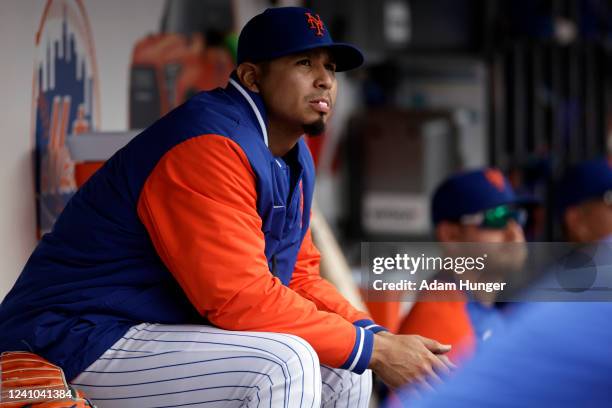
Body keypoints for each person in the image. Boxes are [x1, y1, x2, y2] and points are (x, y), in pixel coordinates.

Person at [0, 7, 451, 407]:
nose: (325, 80)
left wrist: (379, 340)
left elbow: (297, 276)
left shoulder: (289, 155)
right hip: (70, 336)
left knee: (344, 372)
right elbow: (240, 299)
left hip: (148, 331)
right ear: (253, 77)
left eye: (330, 67)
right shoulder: (208, 142)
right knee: (285, 363)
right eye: (303, 62)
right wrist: (377, 351)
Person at [396, 168, 529, 363]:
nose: (515, 233)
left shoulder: (486, 308)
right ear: (451, 235)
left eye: (516, 217)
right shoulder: (438, 316)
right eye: (496, 218)